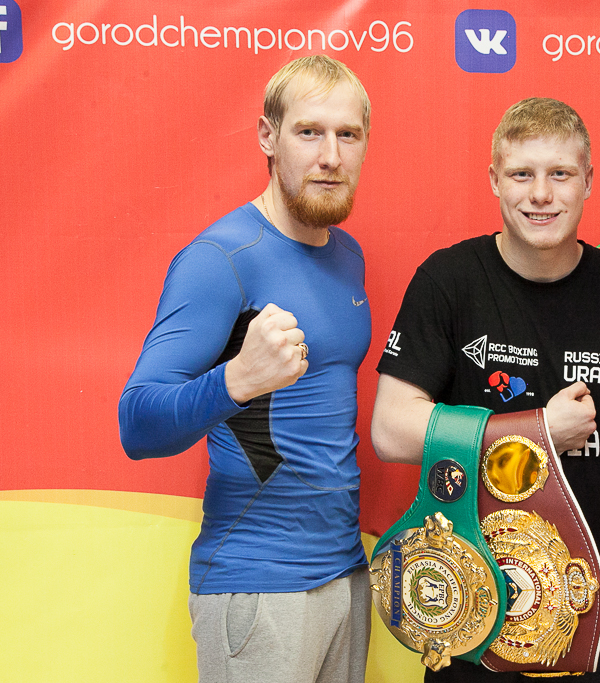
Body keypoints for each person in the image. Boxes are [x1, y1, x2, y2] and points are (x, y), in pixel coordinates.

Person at [371, 97, 600, 682]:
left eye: (560, 174)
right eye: (521, 174)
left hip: (594, 599)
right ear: (495, 180)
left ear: (588, 180)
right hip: (469, 598)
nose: (541, 194)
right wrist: (538, 432)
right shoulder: (448, 280)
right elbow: (390, 430)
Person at [118, 55, 373, 683]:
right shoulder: (222, 256)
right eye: (309, 132)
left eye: (348, 134)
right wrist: (235, 380)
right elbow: (136, 422)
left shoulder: (347, 254)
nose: (331, 156)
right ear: (268, 136)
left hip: (346, 575)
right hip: (258, 586)